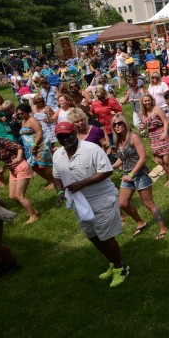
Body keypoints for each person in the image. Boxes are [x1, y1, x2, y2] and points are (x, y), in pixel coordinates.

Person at [52, 122, 129, 288]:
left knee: (106, 237)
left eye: (68, 135)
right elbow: (56, 176)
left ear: (74, 132)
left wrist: (82, 184)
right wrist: (59, 192)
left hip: (102, 199)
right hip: (80, 203)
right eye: (61, 137)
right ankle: (112, 263)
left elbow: (107, 170)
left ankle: (120, 268)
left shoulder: (91, 149)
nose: (66, 139)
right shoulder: (58, 154)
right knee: (92, 236)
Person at [110, 114, 168, 241]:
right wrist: (111, 167)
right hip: (127, 175)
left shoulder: (133, 136)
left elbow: (143, 157)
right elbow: (122, 158)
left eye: (120, 123)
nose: (117, 126)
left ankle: (163, 228)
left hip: (140, 174)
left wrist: (131, 174)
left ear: (125, 124)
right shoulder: (118, 140)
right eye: (114, 124)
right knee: (122, 204)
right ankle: (140, 223)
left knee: (148, 204)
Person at [0, 137, 37, 223]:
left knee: (19, 196)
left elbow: (19, 147)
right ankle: (32, 210)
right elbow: (7, 159)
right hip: (13, 170)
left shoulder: (2, 141)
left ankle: (33, 216)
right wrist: (3, 170)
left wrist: (19, 157)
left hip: (21, 167)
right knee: (12, 196)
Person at [138, 94, 169, 187]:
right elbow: (144, 124)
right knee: (159, 161)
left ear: (151, 100)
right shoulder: (142, 113)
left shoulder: (157, 109)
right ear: (142, 103)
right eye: (145, 101)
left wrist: (165, 132)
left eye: (148, 100)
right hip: (153, 137)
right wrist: (141, 127)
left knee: (167, 160)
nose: (147, 102)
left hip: (162, 133)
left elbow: (165, 121)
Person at [16, 103, 54, 189]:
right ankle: (50, 181)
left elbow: (39, 133)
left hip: (40, 144)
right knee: (35, 167)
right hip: (29, 147)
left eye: (22, 113)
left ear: (27, 112)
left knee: (42, 166)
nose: (20, 115)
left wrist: (34, 145)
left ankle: (54, 181)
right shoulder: (23, 122)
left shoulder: (32, 120)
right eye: (18, 114)